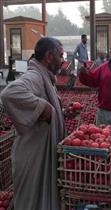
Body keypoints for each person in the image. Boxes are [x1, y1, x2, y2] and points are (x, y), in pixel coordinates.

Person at [0, 37, 66, 210]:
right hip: (32, 157)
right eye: (60, 55)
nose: (63, 60)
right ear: (49, 56)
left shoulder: (46, 77)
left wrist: (62, 114)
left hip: (39, 152)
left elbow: (45, 114)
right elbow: (9, 93)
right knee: (31, 203)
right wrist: (43, 107)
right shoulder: (35, 75)